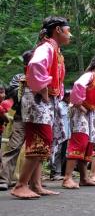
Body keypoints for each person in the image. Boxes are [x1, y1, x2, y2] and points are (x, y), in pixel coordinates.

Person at [11, 16, 70, 199]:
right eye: (68, 30)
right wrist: (44, 89)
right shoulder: (46, 47)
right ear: (58, 30)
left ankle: (36, 184)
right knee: (41, 140)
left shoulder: (54, 49)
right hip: (38, 99)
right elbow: (36, 65)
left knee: (41, 142)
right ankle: (20, 185)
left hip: (44, 100)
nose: (70, 35)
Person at [62, 56, 95, 189]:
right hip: (81, 112)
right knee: (79, 141)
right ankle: (67, 178)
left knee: (88, 144)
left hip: (89, 113)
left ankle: (84, 178)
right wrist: (78, 104)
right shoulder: (89, 75)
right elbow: (78, 85)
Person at [0, 50, 33, 191]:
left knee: (37, 150)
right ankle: (4, 179)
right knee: (13, 148)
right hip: (21, 117)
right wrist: (25, 84)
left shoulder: (44, 76)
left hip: (37, 119)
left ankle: (32, 181)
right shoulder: (19, 77)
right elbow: (12, 92)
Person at [49, 90, 71, 181]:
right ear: (66, 97)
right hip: (59, 133)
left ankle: (60, 171)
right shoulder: (59, 105)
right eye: (70, 96)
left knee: (63, 153)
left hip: (66, 133)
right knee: (56, 152)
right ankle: (54, 172)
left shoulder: (69, 107)